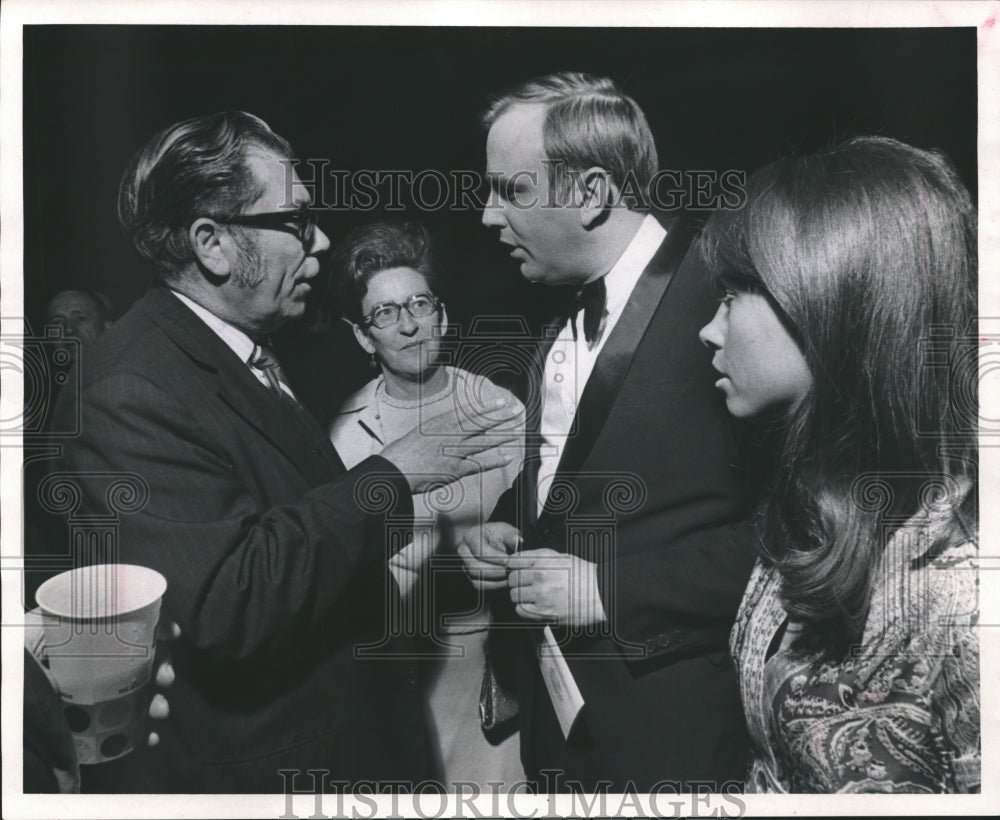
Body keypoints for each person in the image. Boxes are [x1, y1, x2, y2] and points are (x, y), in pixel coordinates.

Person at [50, 111, 519, 793]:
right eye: (296, 222)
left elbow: (299, 538)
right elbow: (224, 603)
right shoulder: (126, 387)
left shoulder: (241, 352)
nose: (321, 241)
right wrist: (396, 473)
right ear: (212, 243)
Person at [458, 72, 755, 792]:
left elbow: (808, 530)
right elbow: (569, 479)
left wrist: (612, 591)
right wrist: (507, 524)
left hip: (670, 741)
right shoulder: (560, 316)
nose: (488, 217)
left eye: (513, 191)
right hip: (561, 738)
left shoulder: (729, 296)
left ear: (590, 193)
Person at [698, 136, 979, 793]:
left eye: (737, 292)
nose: (710, 330)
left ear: (831, 297)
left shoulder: (964, 586)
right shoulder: (809, 504)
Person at [328, 220, 526, 789]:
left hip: (481, 666)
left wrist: (502, 546)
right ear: (365, 338)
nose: (410, 325)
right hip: (383, 669)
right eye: (386, 313)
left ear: (442, 314)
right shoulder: (343, 429)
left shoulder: (499, 412)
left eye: (419, 304)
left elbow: (537, 534)